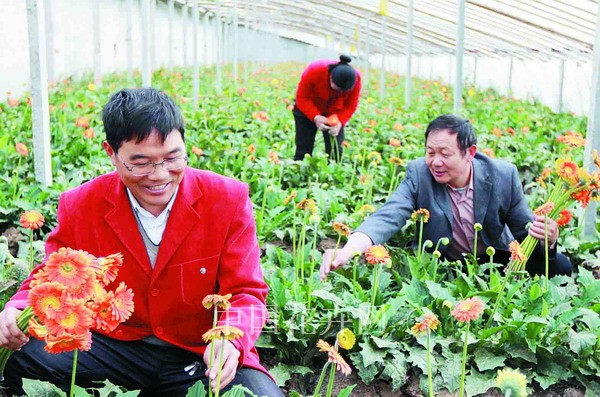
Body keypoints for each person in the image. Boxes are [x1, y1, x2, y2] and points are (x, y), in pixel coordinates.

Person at [0, 88, 283, 397]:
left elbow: (248, 294)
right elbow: (53, 274)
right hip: (113, 349)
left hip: (198, 355)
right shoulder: (81, 204)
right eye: (141, 162)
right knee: (21, 354)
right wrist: (18, 307)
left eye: (173, 157)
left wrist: (231, 339)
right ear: (111, 152)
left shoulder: (226, 198)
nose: (159, 175)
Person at [320, 114, 572, 279]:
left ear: (469, 153)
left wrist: (546, 239)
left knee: (560, 267)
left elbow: (523, 230)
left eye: (444, 153)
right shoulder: (420, 173)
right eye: (430, 152)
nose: (435, 161)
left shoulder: (503, 175)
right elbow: (388, 215)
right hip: (444, 263)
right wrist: (347, 250)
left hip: (496, 258)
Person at [292, 54, 362, 161]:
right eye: (337, 89)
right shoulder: (315, 70)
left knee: (336, 152)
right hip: (307, 109)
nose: (340, 92)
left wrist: (339, 122)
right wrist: (316, 116)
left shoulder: (356, 79)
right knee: (303, 149)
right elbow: (302, 97)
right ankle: (300, 169)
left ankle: (332, 174)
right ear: (330, 78)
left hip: (334, 114)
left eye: (343, 91)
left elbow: (351, 105)